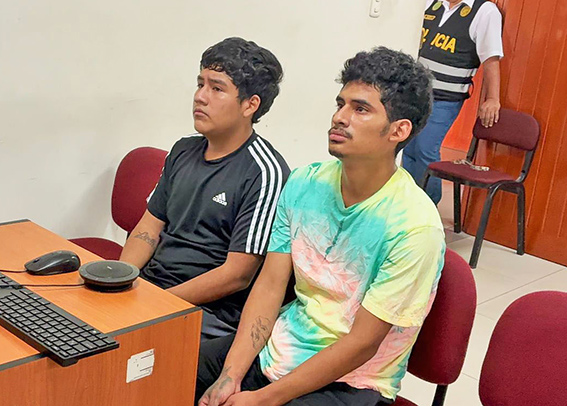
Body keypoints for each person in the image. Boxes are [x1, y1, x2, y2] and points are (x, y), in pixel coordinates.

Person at [196, 47, 445, 406]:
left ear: (398, 130)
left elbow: (362, 344)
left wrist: (263, 399)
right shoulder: (304, 183)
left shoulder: (414, 227)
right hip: (280, 349)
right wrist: (230, 375)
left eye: (360, 109)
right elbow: (269, 286)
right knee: (165, 366)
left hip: (352, 381)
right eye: (340, 103)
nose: (339, 117)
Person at [119, 37, 290, 341]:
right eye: (200, 84)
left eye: (217, 88)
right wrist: (120, 282)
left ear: (250, 105)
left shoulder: (265, 172)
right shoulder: (182, 150)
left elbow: (238, 275)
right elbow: (148, 228)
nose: (200, 97)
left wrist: (157, 304)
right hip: (151, 289)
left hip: (207, 313)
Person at [403, 0, 504, 204]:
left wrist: (493, 98)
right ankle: (405, 203)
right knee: (407, 147)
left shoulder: (485, 12)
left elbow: (491, 59)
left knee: (425, 148)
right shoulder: (430, 3)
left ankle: (428, 204)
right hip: (413, 93)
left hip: (445, 98)